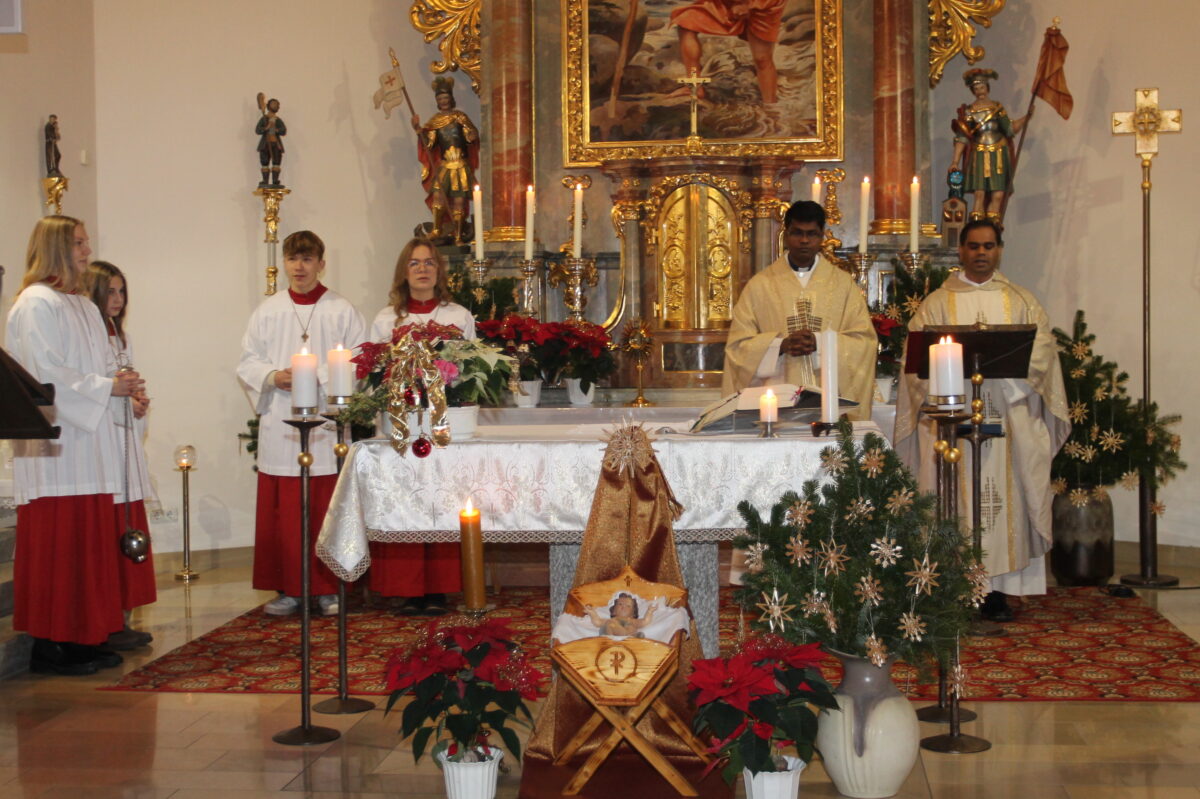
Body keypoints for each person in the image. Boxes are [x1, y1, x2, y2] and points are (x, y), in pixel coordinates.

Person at [894, 219, 1069, 621]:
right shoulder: (936, 304)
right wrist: (952, 392)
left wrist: (1005, 387)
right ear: (961, 251)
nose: (981, 254)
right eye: (973, 246)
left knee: (1003, 500)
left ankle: (999, 591)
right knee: (952, 498)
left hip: (1007, 414)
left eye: (989, 246)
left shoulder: (1021, 301)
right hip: (951, 419)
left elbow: (1042, 351)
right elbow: (915, 364)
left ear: (1000, 249)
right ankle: (954, 586)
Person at [6, 216, 145, 675]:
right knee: (59, 547)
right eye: (80, 243)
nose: (88, 250)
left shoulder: (84, 307)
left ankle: (84, 635)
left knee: (88, 546)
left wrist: (124, 386)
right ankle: (50, 644)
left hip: (91, 445)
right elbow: (43, 377)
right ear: (56, 248)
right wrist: (108, 387)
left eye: (86, 242)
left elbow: (105, 365)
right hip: (56, 448)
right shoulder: (35, 304)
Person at [237, 230, 366, 616]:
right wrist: (273, 376)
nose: (299, 267)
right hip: (281, 420)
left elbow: (359, 359)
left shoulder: (341, 310)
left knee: (325, 506)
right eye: (293, 258)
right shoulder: (268, 310)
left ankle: (328, 589)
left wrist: (316, 377)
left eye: (308, 259)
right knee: (286, 513)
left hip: (326, 424)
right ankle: (290, 589)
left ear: (321, 264)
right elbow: (247, 360)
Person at [368, 238, 473, 615]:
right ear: (403, 272)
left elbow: (470, 369)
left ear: (439, 271)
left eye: (429, 263)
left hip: (442, 421)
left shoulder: (458, 315)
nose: (423, 269)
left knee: (440, 498)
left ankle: (440, 589)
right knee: (405, 498)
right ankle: (405, 587)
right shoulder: (386, 320)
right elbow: (375, 370)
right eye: (414, 263)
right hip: (401, 422)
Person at [722, 200, 876, 420]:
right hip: (775, 405)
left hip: (829, 402)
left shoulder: (843, 285)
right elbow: (737, 348)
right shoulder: (760, 285)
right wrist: (780, 345)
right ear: (786, 234)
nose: (804, 241)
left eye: (812, 234)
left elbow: (865, 342)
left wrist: (820, 343)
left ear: (822, 235)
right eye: (797, 233)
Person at [84, 260, 157, 650]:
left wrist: (138, 403)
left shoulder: (120, 336)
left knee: (127, 529)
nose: (117, 299)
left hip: (122, 443)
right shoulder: (90, 337)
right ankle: (109, 619)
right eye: (109, 291)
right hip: (102, 449)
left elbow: (126, 385)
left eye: (121, 291)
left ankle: (123, 617)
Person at [948, 68, 1031, 223]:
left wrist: (1026, 117)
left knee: (998, 194)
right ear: (973, 90)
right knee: (979, 194)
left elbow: (1009, 129)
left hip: (998, 153)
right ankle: (977, 226)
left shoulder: (997, 108)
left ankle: (993, 226)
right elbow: (962, 137)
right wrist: (955, 161)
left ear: (987, 88)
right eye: (977, 88)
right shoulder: (969, 111)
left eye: (982, 87)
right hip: (979, 153)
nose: (980, 91)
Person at [671, 0, 786, 103]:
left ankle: (770, 105)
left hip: (765, 4)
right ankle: (694, 86)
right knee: (686, 21)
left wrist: (747, 4)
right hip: (727, 3)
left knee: (762, 58)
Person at [412, 77, 480, 244]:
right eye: (440, 99)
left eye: (445, 98)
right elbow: (430, 144)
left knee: (459, 200)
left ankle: (457, 235)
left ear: (451, 98)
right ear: (437, 101)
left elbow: (471, 135)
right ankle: (437, 229)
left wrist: (472, 135)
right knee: (438, 198)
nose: (443, 101)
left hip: (460, 164)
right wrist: (419, 131)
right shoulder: (435, 122)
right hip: (444, 165)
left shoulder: (460, 117)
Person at [583, 593, 659, 638]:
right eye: (620, 604)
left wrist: (649, 611)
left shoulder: (632, 620)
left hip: (629, 639)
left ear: (633, 613)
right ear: (613, 611)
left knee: (629, 627)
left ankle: (630, 637)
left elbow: (645, 621)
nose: (623, 606)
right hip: (612, 640)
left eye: (628, 606)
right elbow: (597, 622)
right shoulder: (611, 620)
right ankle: (627, 636)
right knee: (609, 625)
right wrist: (592, 613)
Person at [256, 97, 287, 187]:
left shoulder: (278, 120)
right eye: (274, 104)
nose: (276, 106)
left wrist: (277, 130)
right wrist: (266, 128)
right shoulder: (264, 119)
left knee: (276, 161)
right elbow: (258, 130)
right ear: (269, 106)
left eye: (277, 105)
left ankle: (275, 180)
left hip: (275, 144)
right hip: (266, 144)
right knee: (265, 162)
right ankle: (265, 181)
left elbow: (283, 131)